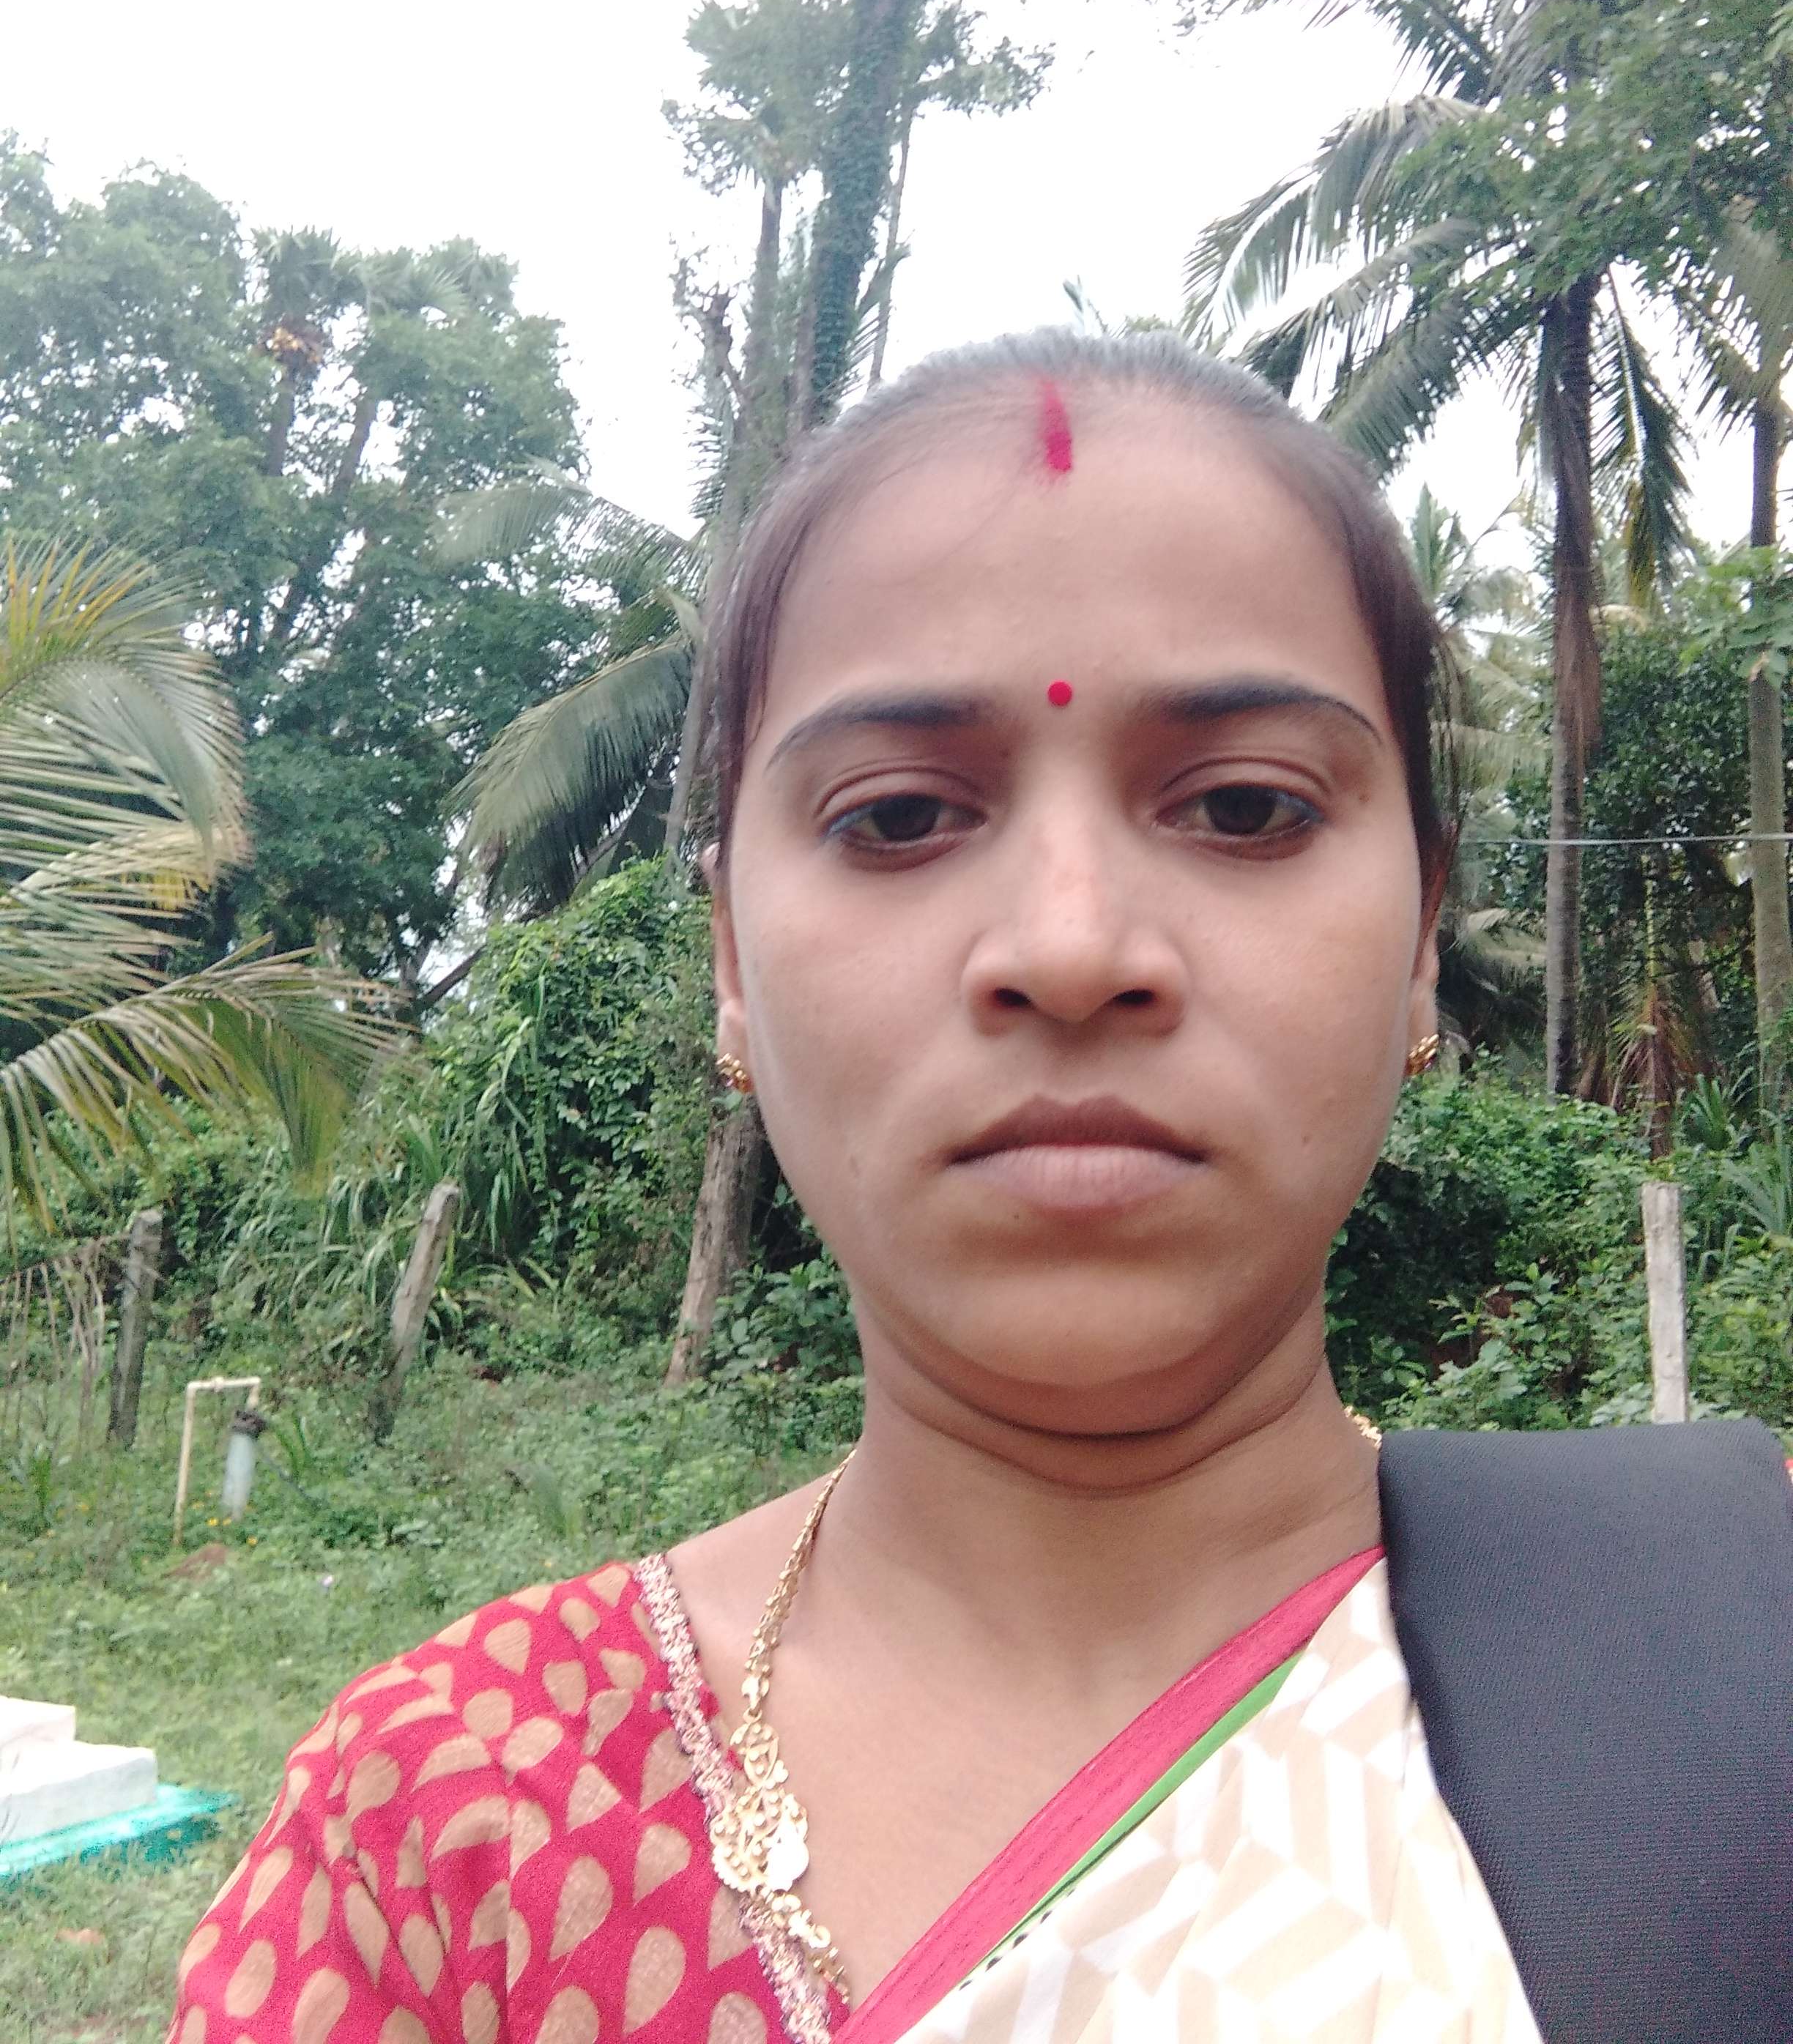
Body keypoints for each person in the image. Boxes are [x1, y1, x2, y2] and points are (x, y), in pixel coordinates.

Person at [166, 330, 1567, 2044]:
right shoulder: (452, 1831)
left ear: (1422, 936)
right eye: (899, 818)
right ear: (731, 965)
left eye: (1248, 806)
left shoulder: (1724, 1669)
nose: (1071, 949)